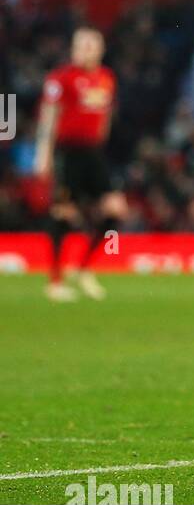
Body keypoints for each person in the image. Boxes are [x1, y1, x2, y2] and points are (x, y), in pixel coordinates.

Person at [35, 27, 124, 302]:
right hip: (67, 152)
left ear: (100, 49)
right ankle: (55, 280)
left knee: (116, 210)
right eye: (81, 45)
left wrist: (101, 140)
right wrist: (43, 154)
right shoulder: (61, 78)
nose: (85, 50)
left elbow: (106, 115)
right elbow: (49, 116)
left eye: (91, 45)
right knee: (63, 212)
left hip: (93, 152)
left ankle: (84, 269)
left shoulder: (107, 78)